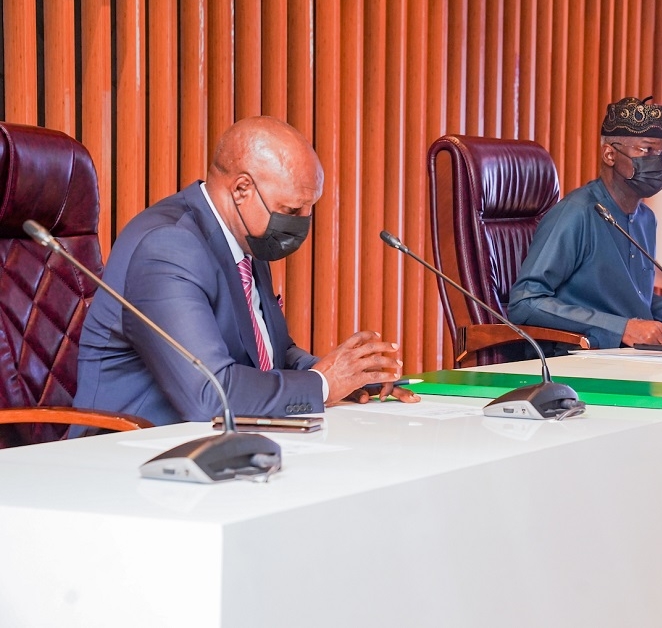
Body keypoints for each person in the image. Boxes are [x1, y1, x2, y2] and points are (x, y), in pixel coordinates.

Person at [73, 116, 418, 429]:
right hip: (128, 456)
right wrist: (323, 384)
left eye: (308, 210)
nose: (301, 223)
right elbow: (209, 393)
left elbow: (272, 355)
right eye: (292, 209)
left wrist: (351, 375)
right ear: (242, 190)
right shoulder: (169, 247)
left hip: (212, 446)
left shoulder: (246, 237)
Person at [507, 96, 662, 350]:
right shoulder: (576, 214)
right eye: (646, 150)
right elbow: (525, 302)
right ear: (610, 154)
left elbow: (633, 300)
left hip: (627, 358)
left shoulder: (645, 219)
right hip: (574, 361)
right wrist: (622, 328)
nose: (659, 161)